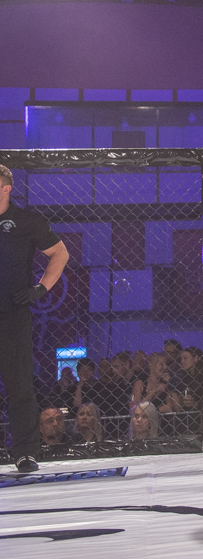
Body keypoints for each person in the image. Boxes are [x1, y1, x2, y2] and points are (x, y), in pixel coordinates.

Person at [0, 164, 70, 472]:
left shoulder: (27, 221)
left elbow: (60, 253)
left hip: (12, 314)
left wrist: (41, 289)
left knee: (19, 385)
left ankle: (25, 453)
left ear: (5, 189)